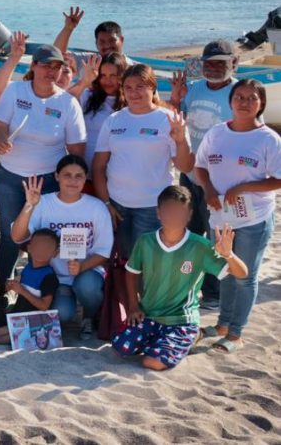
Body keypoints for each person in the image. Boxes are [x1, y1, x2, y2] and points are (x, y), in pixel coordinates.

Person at [113, 186, 248, 371]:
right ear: (158, 213)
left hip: (181, 319)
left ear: (189, 215)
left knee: (152, 362)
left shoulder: (200, 246)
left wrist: (228, 255)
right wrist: (133, 307)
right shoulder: (146, 241)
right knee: (121, 347)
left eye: (179, 212)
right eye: (169, 211)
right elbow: (131, 273)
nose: (174, 217)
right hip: (149, 315)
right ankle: (166, 341)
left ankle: (192, 336)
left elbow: (242, 273)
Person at [194, 79, 281, 353]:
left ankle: (235, 334)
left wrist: (244, 187)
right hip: (221, 217)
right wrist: (208, 189)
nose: (244, 102)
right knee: (226, 271)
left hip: (254, 219)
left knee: (245, 275)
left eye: (252, 98)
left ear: (261, 103)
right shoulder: (216, 133)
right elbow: (200, 167)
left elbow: (278, 179)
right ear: (230, 101)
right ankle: (222, 325)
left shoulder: (269, 139)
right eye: (239, 97)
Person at [0, 44, 87, 283]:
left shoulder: (68, 103)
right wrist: (0, 140)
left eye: (57, 67)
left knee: (45, 235)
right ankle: (4, 286)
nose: (51, 71)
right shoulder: (15, 90)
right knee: (10, 234)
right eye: (46, 65)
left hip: (48, 182)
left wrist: (73, 183)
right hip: (9, 178)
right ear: (33, 66)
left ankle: (43, 286)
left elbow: (77, 150)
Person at [93, 65, 192, 261]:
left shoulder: (169, 119)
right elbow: (98, 167)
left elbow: (185, 166)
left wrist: (181, 141)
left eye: (140, 87)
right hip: (117, 205)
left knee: (147, 263)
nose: (133, 93)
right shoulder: (114, 120)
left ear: (152, 88)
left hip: (152, 207)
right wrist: (106, 203)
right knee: (124, 261)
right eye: (128, 87)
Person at [170, 39, 240, 308]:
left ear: (234, 63)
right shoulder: (194, 88)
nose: (213, 68)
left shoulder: (239, 92)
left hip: (219, 181)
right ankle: (186, 287)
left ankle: (213, 293)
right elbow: (178, 120)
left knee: (215, 237)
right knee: (187, 232)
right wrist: (176, 99)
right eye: (208, 63)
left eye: (220, 63)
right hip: (189, 174)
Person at [12, 156, 113, 338]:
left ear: (85, 178)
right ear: (57, 176)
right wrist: (29, 205)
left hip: (86, 272)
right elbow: (17, 236)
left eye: (78, 176)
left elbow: (104, 252)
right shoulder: (43, 202)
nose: (73, 181)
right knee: (62, 314)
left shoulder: (96, 207)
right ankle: (70, 303)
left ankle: (89, 316)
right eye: (67, 175)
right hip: (55, 277)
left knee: (88, 287)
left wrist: (81, 266)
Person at [0, 229, 60, 345]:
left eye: (46, 248)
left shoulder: (49, 276)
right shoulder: (28, 267)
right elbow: (22, 284)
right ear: (29, 248)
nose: (41, 250)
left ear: (55, 252)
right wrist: (11, 285)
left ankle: (33, 334)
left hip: (31, 319)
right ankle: (14, 330)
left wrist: (22, 291)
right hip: (16, 312)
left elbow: (44, 306)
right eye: (38, 246)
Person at [78, 52, 128, 168]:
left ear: (122, 76)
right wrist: (84, 82)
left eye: (113, 75)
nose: (107, 81)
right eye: (103, 75)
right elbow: (64, 102)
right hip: (84, 169)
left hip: (116, 171)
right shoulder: (87, 96)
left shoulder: (132, 100)